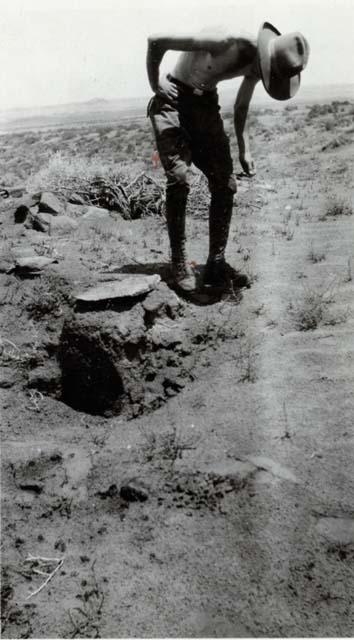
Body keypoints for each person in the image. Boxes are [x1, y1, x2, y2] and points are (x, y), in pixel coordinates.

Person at [146, 22, 309, 291]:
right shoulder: (225, 41)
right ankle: (179, 261)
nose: (264, 76)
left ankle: (216, 264)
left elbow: (241, 105)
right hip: (173, 99)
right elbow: (155, 39)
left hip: (205, 105)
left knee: (226, 183)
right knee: (179, 178)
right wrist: (156, 84)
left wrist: (245, 147)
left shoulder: (263, 64)